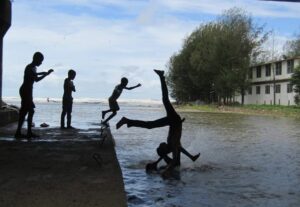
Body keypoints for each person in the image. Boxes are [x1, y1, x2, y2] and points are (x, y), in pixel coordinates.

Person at [116, 69, 200, 178]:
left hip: (173, 121)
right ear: (166, 149)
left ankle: (128, 121)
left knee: (150, 124)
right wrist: (169, 169)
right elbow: (176, 153)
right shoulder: (173, 143)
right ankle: (161, 77)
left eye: (162, 146)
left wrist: (167, 167)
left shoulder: (171, 143)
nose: (162, 143)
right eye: (163, 146)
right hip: (174, 120)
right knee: (164, 101)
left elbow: (175, 152)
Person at [15, 52, 54, 139]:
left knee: (24, 112)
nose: (41, 63)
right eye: (40, 61)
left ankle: (22, 132)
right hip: (26, 90)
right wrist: (45, 74)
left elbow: (35, 75)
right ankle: (27, 132)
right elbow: (36, 79)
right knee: (29, 111)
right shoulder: (29, 67)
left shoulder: (33, 68)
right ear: (36, 59)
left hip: (27, 90)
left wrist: (44, 73)